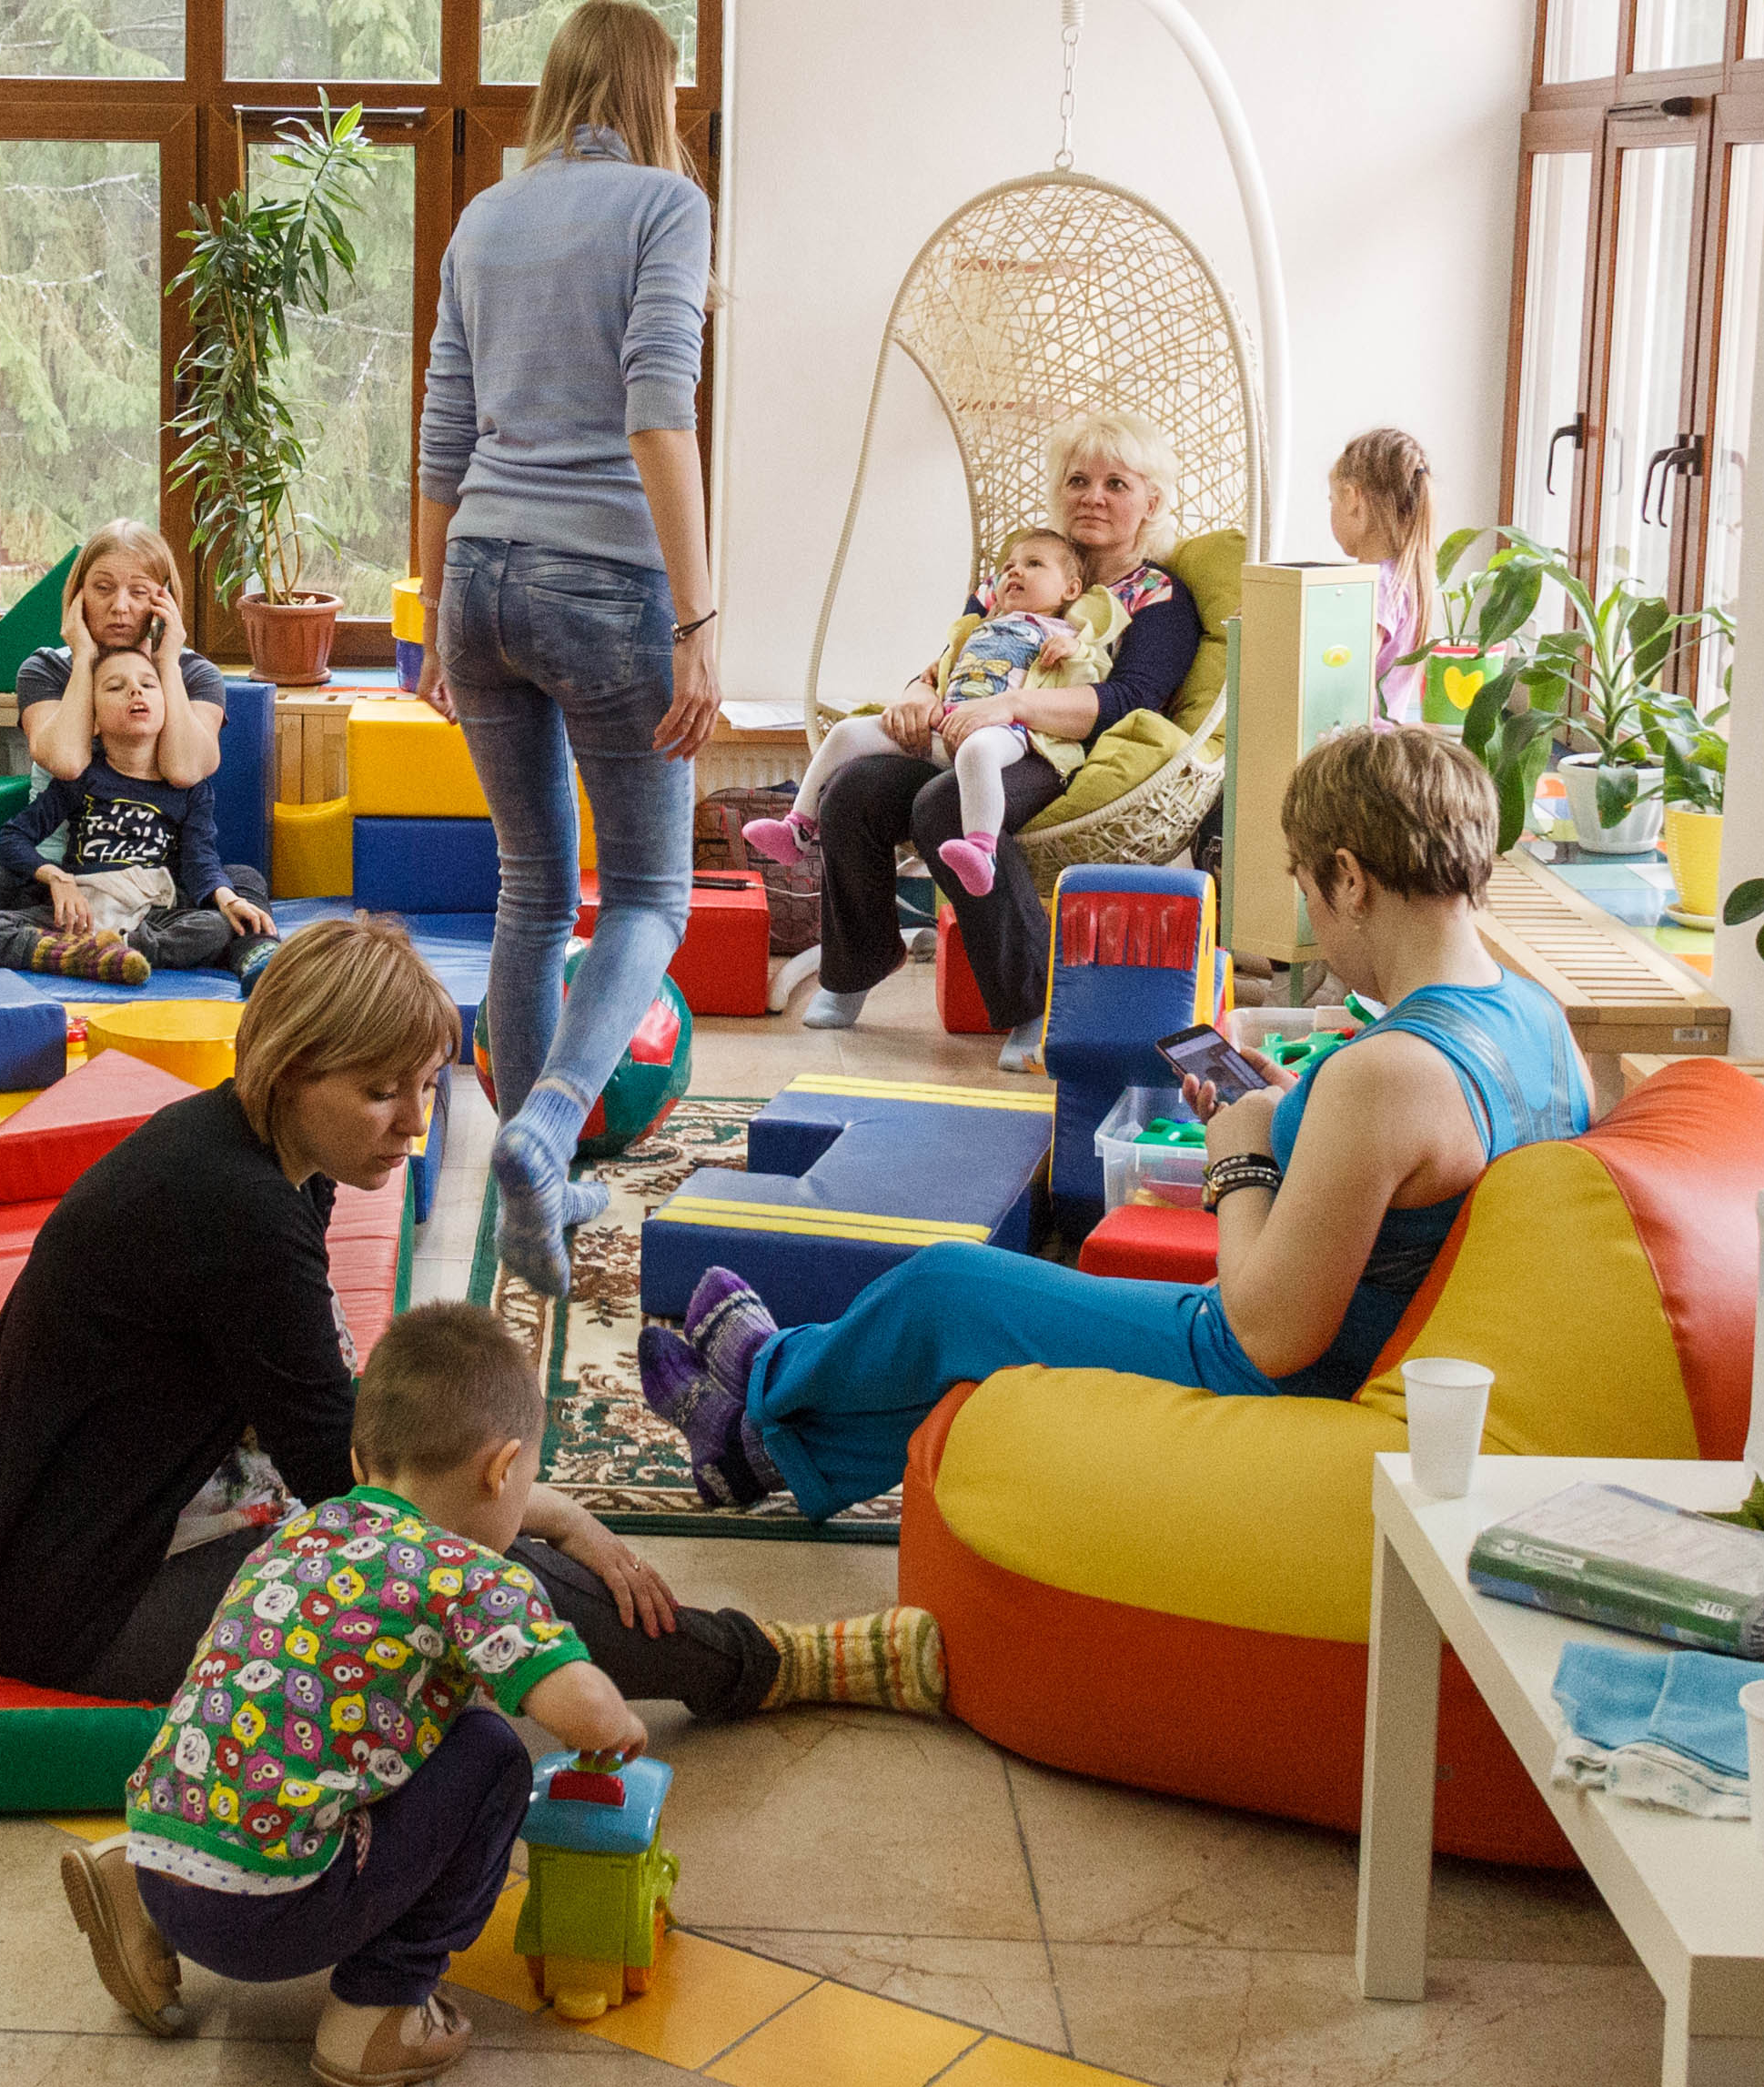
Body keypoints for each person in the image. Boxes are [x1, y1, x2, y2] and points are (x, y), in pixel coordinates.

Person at [0, 915, 942, 1716]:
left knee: (473, 1518)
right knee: (470, 1572)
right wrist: (548, 1513)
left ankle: (709, 1646)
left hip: (106, 1531)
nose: (413, 1123)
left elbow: (319, 1407)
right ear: (290, 1069)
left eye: (423, 1085)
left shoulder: (262, 1152)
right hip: (87, 1603)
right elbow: (361, 1494)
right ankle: (760, 1663)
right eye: (380, 1092)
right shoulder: (237, 1208)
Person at [648, 725, 1590, 1520]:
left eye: (1305, 888)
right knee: (980, 1337)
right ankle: (757, 1451)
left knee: (947, 1289)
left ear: (1348, 878)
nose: (1312, 916)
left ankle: (766, 1379)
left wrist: (1240, 1157)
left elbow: (1265, 1336)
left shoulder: (1385, 1077)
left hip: (1266, 1368)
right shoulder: (1541, 1023)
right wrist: (1293, 1109)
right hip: (1394, 1351)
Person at [55, 1301, 646, 2087]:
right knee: (492, 1756)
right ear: (503, 1469)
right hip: (268, 1920)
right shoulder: (472, 1576)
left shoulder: (300, 1533)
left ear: (361, 1458)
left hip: (165, 1849)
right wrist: (619, 1721)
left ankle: (133, 1888)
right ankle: (379, 2008)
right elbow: (582, 1714)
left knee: (350, 1728)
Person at [414, 0, 721, 1296]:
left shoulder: (484, 217)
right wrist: (696, 619)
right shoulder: (665, 205)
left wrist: (434, 617)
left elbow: (442, 429)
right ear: (653, 90)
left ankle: (525, 1193)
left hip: (478, 575)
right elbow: (657, 411)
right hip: (603, 581)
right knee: (648, 894)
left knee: (530, 890)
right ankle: (545, 1130)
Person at [804, 408, 1207, 1040]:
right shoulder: (1017, 574)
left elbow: (1132, 699)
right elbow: (958, 655)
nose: (1093, 497)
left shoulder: (1157, 597)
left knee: (944, 805)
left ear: (1151, 502)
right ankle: (859, 963)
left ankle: (1031, 1005)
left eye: (1116, 484)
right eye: (1078, 481)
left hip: (1060, 752)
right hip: (969, 731)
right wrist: (917, 692)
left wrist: (1013, 708)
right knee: (853, 789)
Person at [744, 527, 1106, 901]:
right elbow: (937, 672)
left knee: (977, 752)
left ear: (1070, 590)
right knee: (846, 734)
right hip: (943, 723)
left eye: (1034, 564)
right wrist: (924, 687)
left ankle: (982, 851)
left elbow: (1090, 675)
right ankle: (797, 828)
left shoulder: (1063, 634)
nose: (1015, 571)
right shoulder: (979, 628)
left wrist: (1075, 651)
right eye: (1009, 567)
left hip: (1005, 731)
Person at [0, 520, 228, 933]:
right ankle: (91, 941)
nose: (120, 606)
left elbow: (185, 769)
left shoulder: (196, 674)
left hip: (159, 877)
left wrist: (166, 662)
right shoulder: (45, 668)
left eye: (138, 592)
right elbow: (68, 762)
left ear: (164, 600)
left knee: (242, 885)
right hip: (60, 872)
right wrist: (84, 657)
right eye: (103, 588)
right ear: (78, 595)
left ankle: (88, 943)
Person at [0, 642, 277, 985]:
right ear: (92, 721)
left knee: (214, 925)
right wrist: (56, 878)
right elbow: (10, 837)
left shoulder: (190, 788)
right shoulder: (81, 779)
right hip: (81, 911)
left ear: (168, 708)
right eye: (115, 687)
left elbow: (200, 860)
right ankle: (82, 954)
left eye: (148, 684)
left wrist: (227, 898)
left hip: (151, 914)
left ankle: (112, 952)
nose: (136, 691)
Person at [1331, 425, 1441, 721]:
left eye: (1332, 501)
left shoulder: (1377, 586)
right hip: (1383, 739)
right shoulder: (1404, 578)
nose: (1332, 511)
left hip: (1359, 743)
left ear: (1352, 498)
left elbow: (1343, 673)